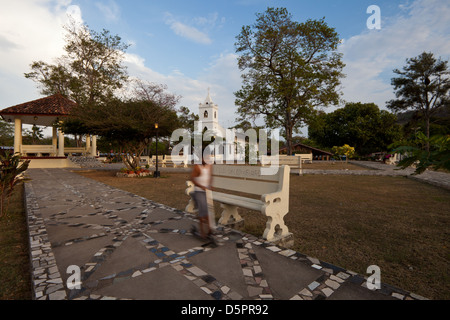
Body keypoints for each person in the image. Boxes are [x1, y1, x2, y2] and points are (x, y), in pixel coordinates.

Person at [190, 156, 213, 239]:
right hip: (199, 191)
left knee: (207, 210)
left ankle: (209, 229)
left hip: (206, 191)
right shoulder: (197, 166)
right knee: (203, 211)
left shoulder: (209, 166)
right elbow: (192, 179)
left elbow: (210, 176)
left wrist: (210, 185)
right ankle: (202, 231)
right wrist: (201, 186)